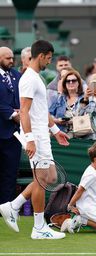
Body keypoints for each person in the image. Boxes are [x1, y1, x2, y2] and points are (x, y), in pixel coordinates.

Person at [0, 40, 70, 239]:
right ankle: (39, 228)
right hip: (36, 136)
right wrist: (29, 139)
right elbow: (24, 111)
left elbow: (41, 110)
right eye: (48, 58)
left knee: (51, 177)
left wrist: (56, 130)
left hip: (42, 135)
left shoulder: (35, 77)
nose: (49, 62)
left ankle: (13, 206)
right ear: (41, 56)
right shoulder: (29, 79)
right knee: (40, 180)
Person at [61, 141, 96, 234]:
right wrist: (70, 206)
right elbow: (79, 191)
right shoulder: (91, 174)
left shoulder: (95, 170)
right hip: (88, 208)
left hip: (91, 206)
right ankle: (82, 220)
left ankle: (81, 220)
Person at [0, 47, 22, 204]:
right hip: (2, 128)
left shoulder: (16, 75)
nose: (11, 61)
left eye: (12, 57)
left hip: (14, 134)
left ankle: (6, 207)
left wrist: (20, 111)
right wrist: (14, 115)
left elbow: (22, 98)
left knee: (10, 172)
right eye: (7, 58)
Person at [49, 69, 85, 137]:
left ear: (79, 83)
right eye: (68, 81)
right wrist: (57, 120)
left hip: (80, 135)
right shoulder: (59, 98)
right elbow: (48, 115)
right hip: (61, 134)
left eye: (73, 81)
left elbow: (88, 116)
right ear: (64, 84)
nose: (71, 82)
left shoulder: (84, 98)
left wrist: (72, 121)